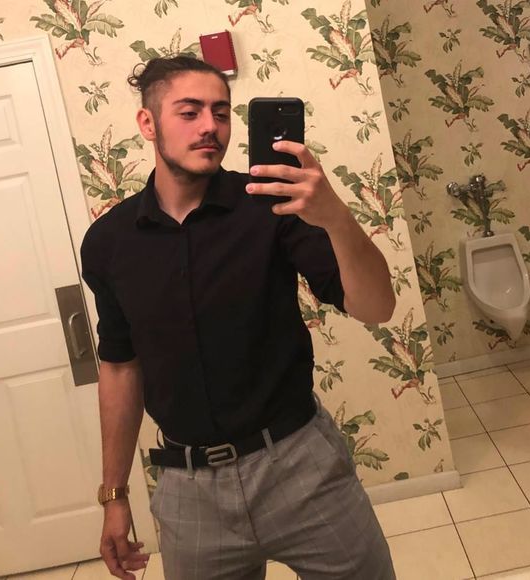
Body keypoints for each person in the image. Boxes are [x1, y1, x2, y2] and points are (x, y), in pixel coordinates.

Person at [81, 55, 396, 580]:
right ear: (147, 123)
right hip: (190, 491)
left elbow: (377, 307)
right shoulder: (109, 242)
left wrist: (336, 218)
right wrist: (114, 494)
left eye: (221, 112)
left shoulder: (270, 207)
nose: (210, 126)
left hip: (300, 466)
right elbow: (119, 364)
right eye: (190, 112)